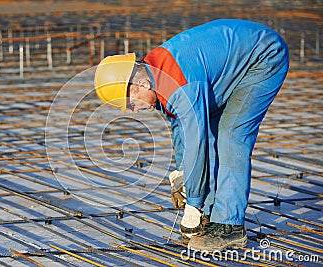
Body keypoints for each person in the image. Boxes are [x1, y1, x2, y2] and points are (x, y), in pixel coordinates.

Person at [94, 19, 289, 251]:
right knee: (212, 135)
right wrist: (182, 175)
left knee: (230, 134)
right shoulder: (156, 73)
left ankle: (230, 227)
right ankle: (211, 214)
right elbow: (181, 127)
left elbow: (197, 143)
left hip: (263, 57)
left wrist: (193, 204)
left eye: (130, 103)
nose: (134, 110)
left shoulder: (179, 85)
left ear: (143, 84)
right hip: (231, 67)